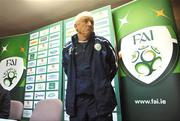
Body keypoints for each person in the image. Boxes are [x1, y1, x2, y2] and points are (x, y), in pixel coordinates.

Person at [62, 11, 118, 121]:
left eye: (91, 22)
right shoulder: (67, 48)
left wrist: (102, 82)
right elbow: (67, 70)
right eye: (85, 21)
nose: (89, 24)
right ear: (76, 26)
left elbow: (113, 66)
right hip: (77, 103)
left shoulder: (103, 43)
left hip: (100, 101)